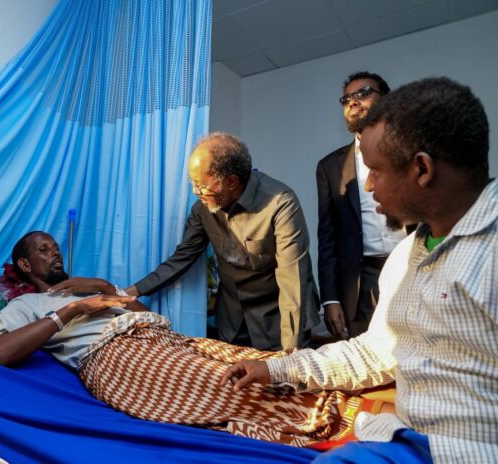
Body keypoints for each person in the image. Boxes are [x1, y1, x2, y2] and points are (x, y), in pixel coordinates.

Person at [221, 77, 497, 463]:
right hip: (408, 438)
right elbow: (375, 352)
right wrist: (277, 368)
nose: (367, 186)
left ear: (422, 169)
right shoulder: (408, 255)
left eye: (376, 171)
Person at [0, 231, 378, 447]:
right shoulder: (26, 305)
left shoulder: (86, 287)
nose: (55, 254)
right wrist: (72, 310)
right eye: (44, 250)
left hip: (158, 336)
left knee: (252, 361)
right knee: (224, 380)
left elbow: (141, 313)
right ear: (25, 264)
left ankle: (348, 390)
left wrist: (103, 287)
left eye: (56, 248)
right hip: (112, 355)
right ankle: (345, 416)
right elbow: (3, 352)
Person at [126, 132, 320, 350]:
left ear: (231, 182)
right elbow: (182, 257)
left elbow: (292, 282)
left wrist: (291, 354)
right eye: (192, 183)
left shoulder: (280, 204)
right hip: (232, 322)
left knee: (283, 371)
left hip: (278, 320)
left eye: (201, 185)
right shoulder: (203, 209)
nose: (195, 192)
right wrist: (133, 291)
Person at [316, 71, 407, 340]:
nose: (353, 101)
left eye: (363, 93)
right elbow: (328, 236)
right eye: (346, 99)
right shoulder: (330, 167)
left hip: (411, 268)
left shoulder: (413, 148)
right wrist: (330, 298)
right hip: (360, 283)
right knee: (363, 355)